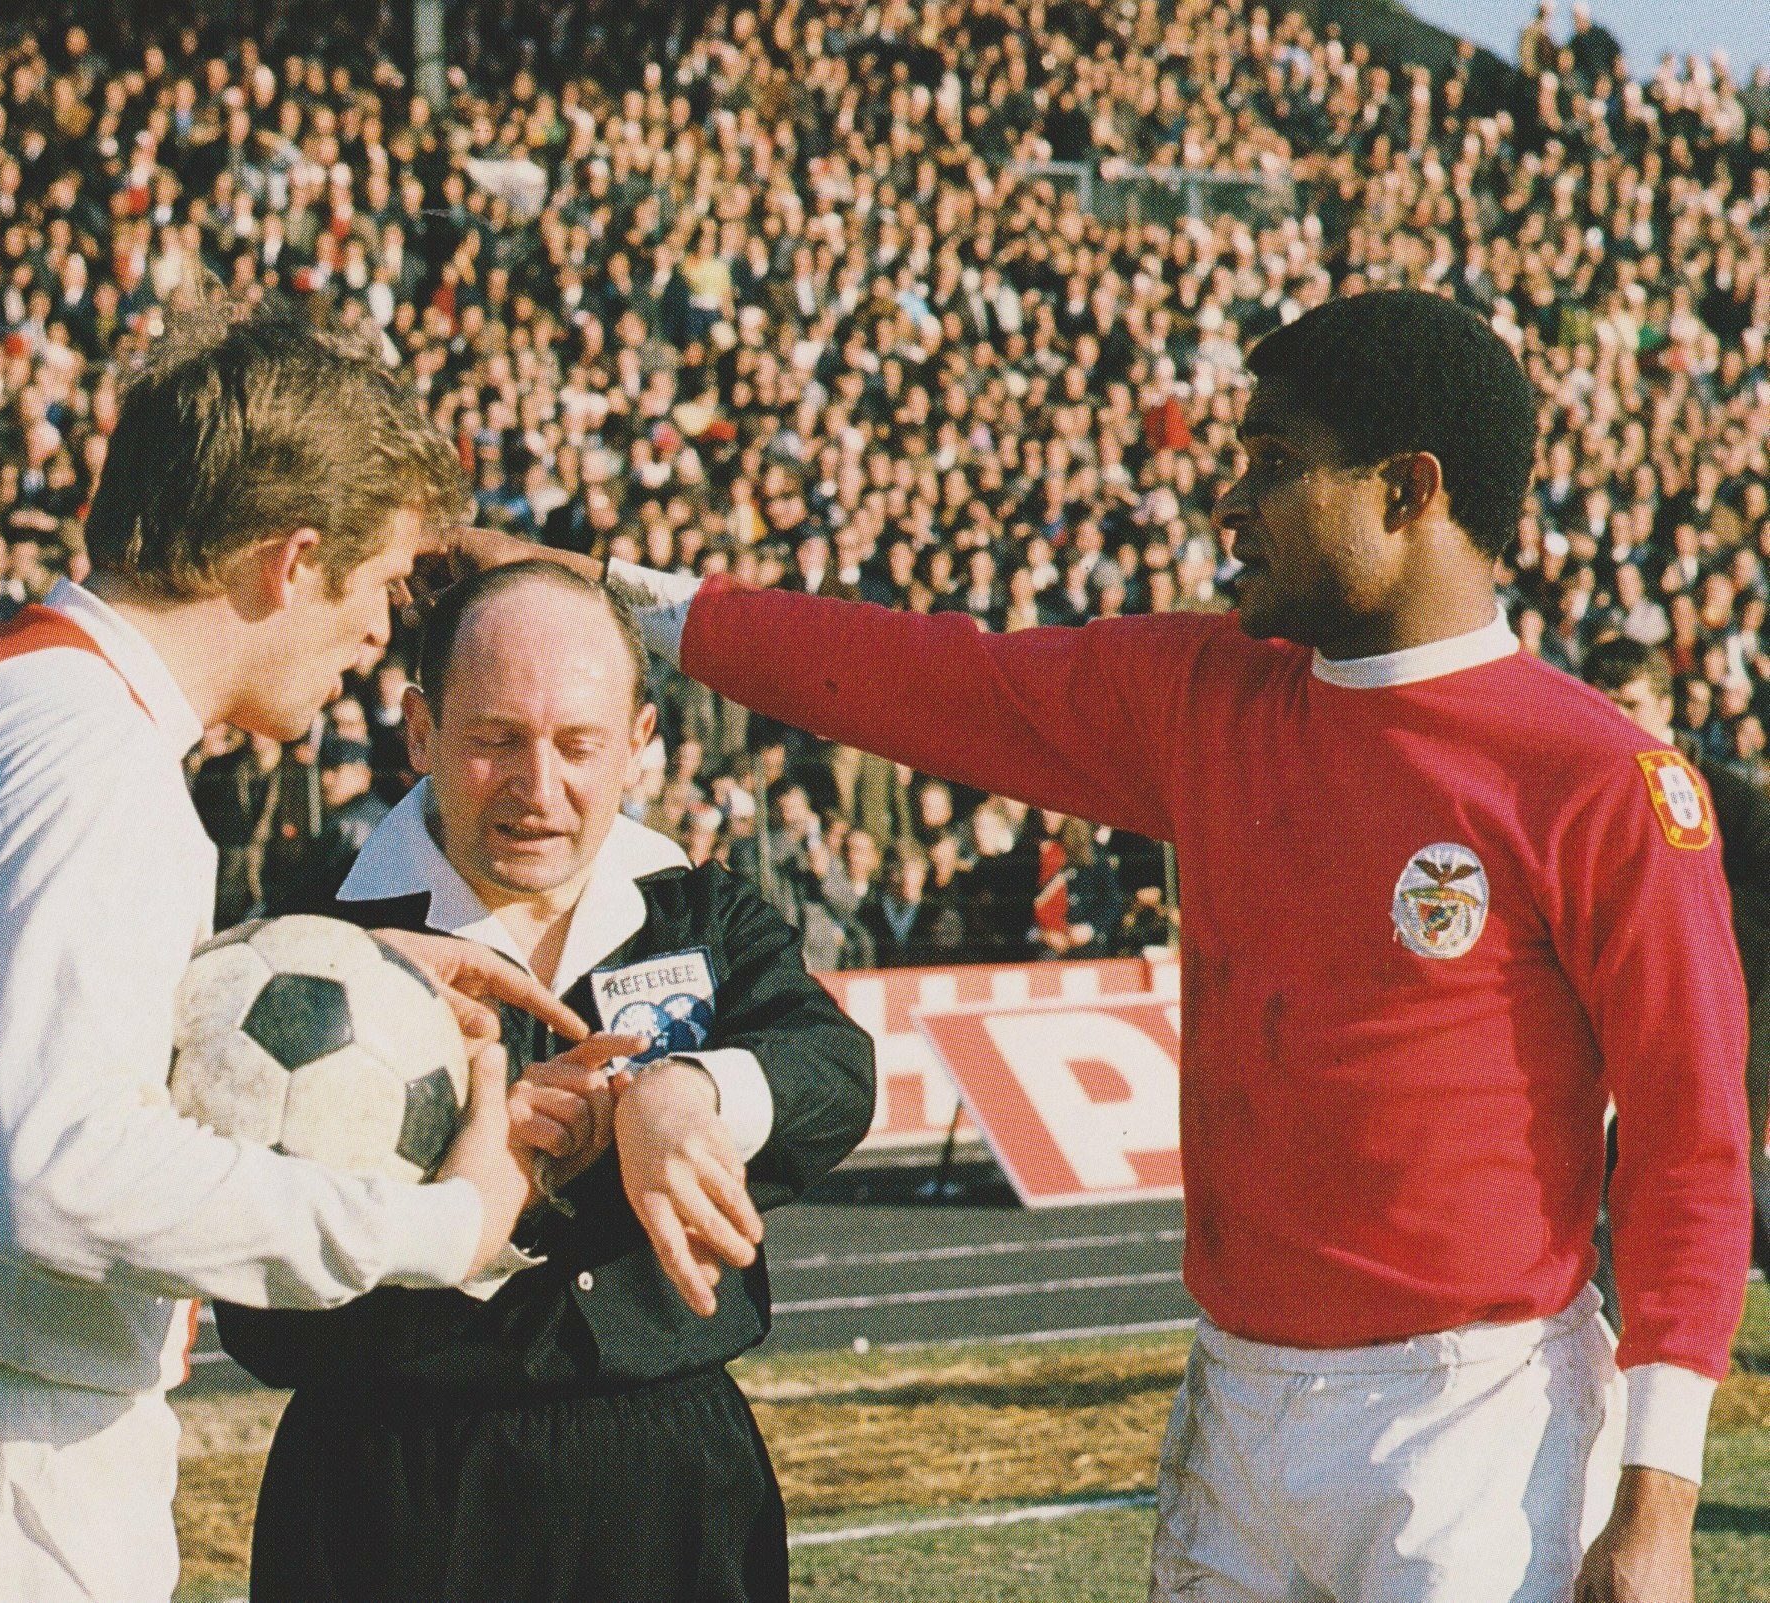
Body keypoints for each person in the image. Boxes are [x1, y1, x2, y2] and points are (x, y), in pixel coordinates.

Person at [453, 290, 1752, 1603]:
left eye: (1273, 461)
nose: (1228, 503)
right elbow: (914, 676)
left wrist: (1654, 1503)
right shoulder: (1201, 693)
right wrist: (610, 596)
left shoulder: (1597, 781)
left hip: (1478, 1426)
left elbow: (1685, 1150)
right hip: (1233, 1401)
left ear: (1405, 489)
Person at [0, 311, 590, 1603]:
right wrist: (445, 1224)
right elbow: (61, 1177)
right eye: (379, 585)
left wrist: (324, 969)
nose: (379, 635)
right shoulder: (94, 755)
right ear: (289, 561)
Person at [219, 561, 876, 1603]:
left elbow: (833, 1066)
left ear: (640, 740)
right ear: (419, 731)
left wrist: (687, 1093)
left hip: (675, 1481)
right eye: (494, 740)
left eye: (578, 745)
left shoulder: (699, 911)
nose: (537, 788)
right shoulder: (309, 950)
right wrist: (471, 1192)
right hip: (393, 1492)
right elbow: (258, 1313)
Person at [1582, 636, 1770, 1277]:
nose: (1613, 720)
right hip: (1611, 1009)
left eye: (1628, 705)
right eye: (1599, 705)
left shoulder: (1729, 799)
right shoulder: (1574, 798)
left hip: (1722, 1013)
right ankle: (1612, 1314)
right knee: (1608, 1174)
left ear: (1667, 709)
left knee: (1718, 1170)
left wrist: (1707, 960)